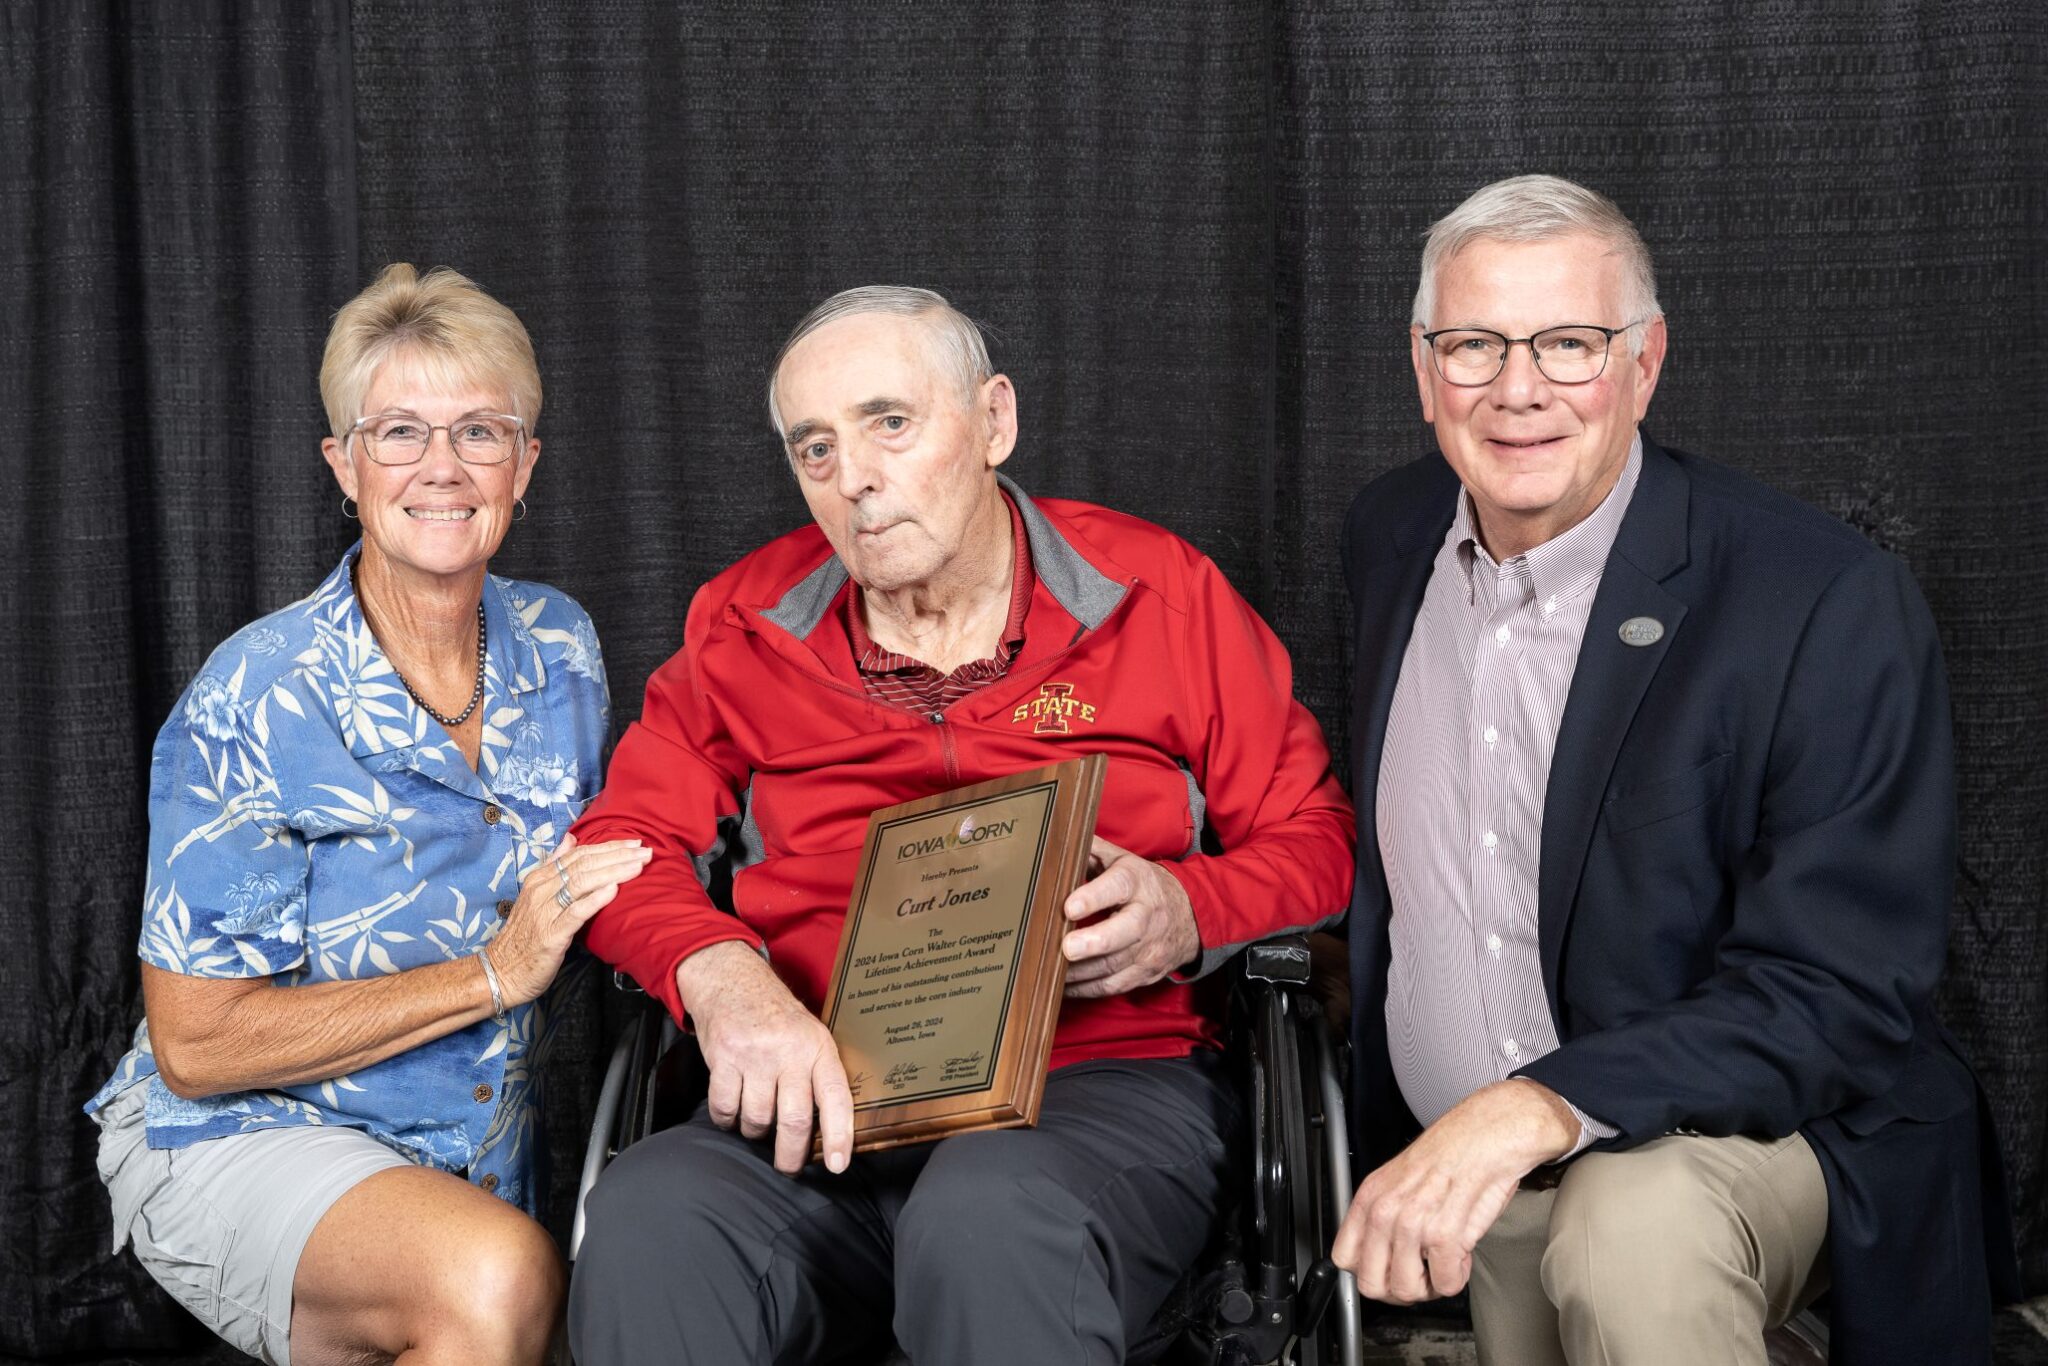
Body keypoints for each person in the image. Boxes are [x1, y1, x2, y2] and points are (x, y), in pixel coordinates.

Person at [567, 285, 1354, 1365]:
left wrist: (1188, 905)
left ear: (994, 421)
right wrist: (720, 977)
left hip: (1097, 1085)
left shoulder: (1157, 593)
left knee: (987, 1214)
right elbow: (616, 851)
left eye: (890, 422)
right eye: (814, 447)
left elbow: (1314, 839)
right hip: (821, 1090)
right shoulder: (741, 626)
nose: (854, 480)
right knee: (650, 1217)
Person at [1331, 174, 2018, 1365]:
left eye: (1567, 343)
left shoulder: (1816, 600)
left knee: (1624, 1230)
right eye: (1473, 345)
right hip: (1478, 1178)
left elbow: (1839, 992)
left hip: (1779, 1136)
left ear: (1643, 364)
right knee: (1560, 1236)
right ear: (1419, 363)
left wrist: (1530, 1106)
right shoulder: (1390, 538)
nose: (1516, 389)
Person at [85, 264, 649, 1366]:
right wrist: (492, 973)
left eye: (480, 431)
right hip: (240, 1132)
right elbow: (196, 1045)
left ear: (525, 464)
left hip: (473, 1154)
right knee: (494, 1279)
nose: (441, 467)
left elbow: (612, 861)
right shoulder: (258, 693)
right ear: (344, 465)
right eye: (398, 432)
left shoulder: (561, 648)